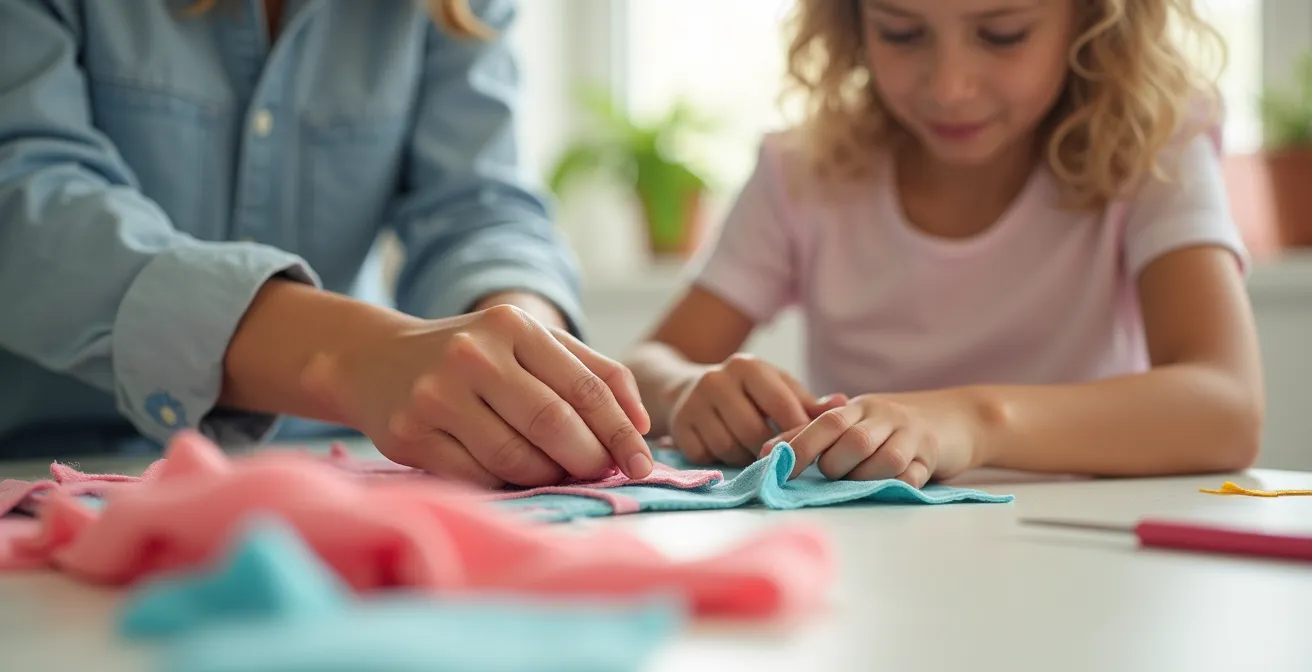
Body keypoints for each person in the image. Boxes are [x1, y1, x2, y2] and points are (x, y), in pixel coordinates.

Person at [0, 0, 656, 487]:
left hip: (333, 470)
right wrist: (349, 357)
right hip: (37, 467)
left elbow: (479, 207)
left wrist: (523, 353)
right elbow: (25, 201)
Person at [626, 0, 1264, 486]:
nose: (949, 87)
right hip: (873, 561)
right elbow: (648, 363)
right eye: (902, 32)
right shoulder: (804, 170)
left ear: (1093, 18)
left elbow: (1226, 406)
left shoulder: (1153, 145)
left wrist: (967, 422)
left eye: (1003, 33)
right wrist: (686, 389)